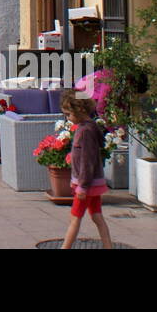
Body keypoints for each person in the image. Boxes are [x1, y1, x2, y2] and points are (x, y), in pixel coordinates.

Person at [61, 91, 113, 249]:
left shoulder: (85, 131)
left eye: (69, 114)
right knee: (97, 217)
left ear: (79, 111)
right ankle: (107, 246)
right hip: (93, 184)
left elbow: (87, 160)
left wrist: (82, 185)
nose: (67, 118)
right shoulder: (90, 127)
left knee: (75, 218)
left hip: (87, 185)